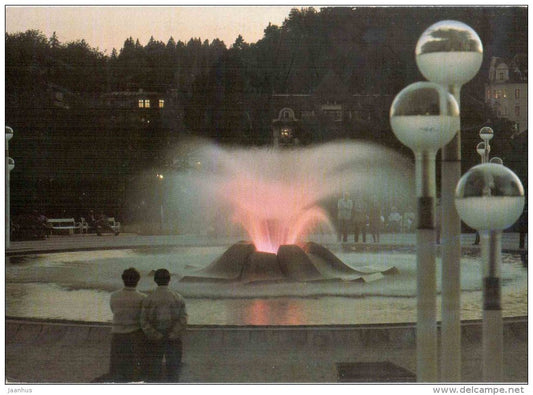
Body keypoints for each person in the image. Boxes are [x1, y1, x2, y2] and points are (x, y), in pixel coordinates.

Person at [141, 269, 188, 382]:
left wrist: (156, 334)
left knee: (154, 372)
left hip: (154, 340)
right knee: (173, 372)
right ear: (169, 280)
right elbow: (183, 319)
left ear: (155, 280)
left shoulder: (149, 299)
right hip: (173, 339)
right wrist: (173, 333)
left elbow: (143, 321)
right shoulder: (178, 297)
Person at [109, 267, 147, 382]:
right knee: (133, 367)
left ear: (123, 279)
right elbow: (143, 318)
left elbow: (113, 310)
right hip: (134, 334)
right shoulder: (142, 298)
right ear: (137, 280)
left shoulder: (114, 296)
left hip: (117, 334)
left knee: (117, 367)